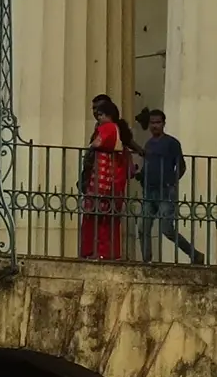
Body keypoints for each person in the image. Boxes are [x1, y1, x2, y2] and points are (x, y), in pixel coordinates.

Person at [134, 108, 205, 264]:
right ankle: (147, 261)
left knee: (167, 230)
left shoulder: (172, 143)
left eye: (158, 122)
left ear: (163, 123)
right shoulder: (149, 143)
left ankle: (194, 254)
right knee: (142, 227)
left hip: (165, 191)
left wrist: (171, 182)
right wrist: (140, 174)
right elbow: (148, 165)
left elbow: (181, 166)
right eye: (152, 123)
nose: (154, 126)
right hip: (149, 191)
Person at [78, 95, 134, 260]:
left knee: (98, 217)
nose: (97, 116)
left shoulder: (108, 127)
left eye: (99, 113)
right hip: (109, 178)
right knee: (106, 219)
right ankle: (105, 252)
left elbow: (97, 143)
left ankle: (97, 251)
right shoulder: (115, 128)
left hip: (103, 179)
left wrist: (92, 145)